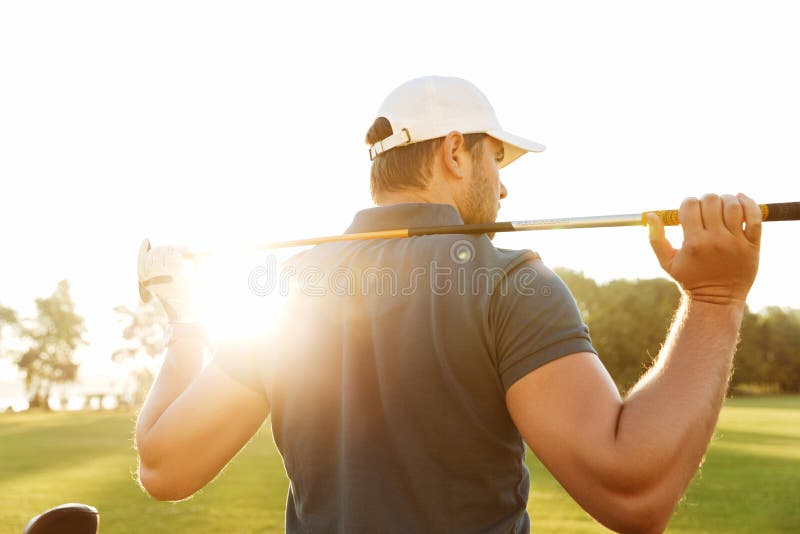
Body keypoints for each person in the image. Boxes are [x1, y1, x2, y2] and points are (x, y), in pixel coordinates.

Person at [135, 76, 762, 533]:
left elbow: (164, 468)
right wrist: (714, 299)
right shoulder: (509, 280)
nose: (505, 182)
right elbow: (633, 490)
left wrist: (186, 325)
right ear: (455, 151)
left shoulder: (288, 289)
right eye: (497, 158)